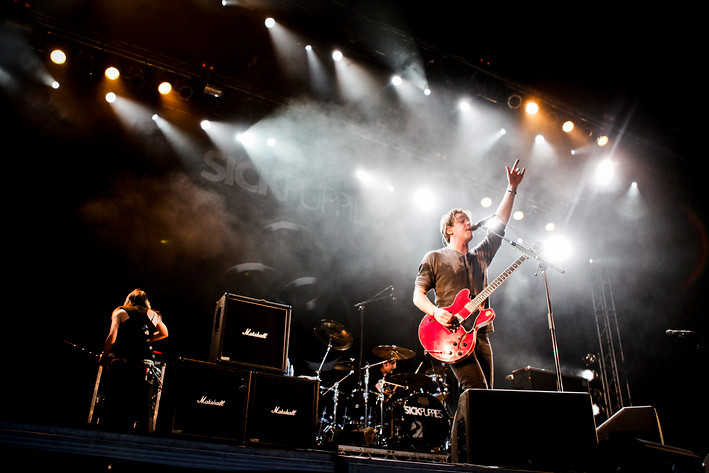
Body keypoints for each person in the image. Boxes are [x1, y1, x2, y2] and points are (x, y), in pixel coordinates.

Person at [412, 159, 525, 392]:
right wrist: (436, 311)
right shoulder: (435, 257)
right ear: (449, 230)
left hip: (480, 334)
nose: (469, 223)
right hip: (450, 333)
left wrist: (511, 189)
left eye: (469, 220)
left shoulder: (480, 256)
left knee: (486, 397)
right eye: (462, 221)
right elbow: (418, 295)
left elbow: (500, 223)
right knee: (476, 388)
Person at [97, 288, 168, 432]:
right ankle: (144, 440)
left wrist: (104, 356)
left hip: (124, 363)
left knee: (117, 401)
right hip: (145, 365)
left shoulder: (120, 312)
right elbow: (164, 333)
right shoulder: (154, 314)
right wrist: (147, 338)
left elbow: (112, 336)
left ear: (129, 299)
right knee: (144, 406)